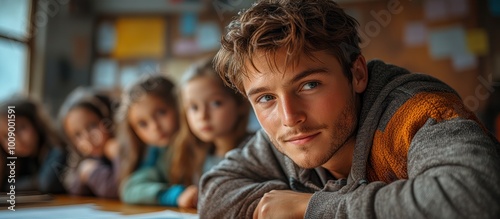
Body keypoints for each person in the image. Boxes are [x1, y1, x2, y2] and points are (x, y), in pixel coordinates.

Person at [198, 0, 500, 218]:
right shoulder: (289, 135)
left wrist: (311, 206)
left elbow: (473, 200)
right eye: (266, 98)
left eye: (309, 85)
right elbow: (214, 192)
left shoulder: (418, 113)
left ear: (357, 74)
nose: (290, 117)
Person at [169, 57, 251, 208]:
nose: (203, 116)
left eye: (215, 103)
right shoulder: (193, 154)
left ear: (240, 103)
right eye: (193, 107)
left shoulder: (257, 152)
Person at [117, 75, 181, 206]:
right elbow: (130, 189)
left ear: (178, 106)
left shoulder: (201, 146)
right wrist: (173, 195)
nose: (155, 127)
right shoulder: (155, 154)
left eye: (161, 112)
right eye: (143, 124)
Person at [58, 87, 119, 198]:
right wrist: (84, 170)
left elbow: (117, 189)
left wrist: (92, 173)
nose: (88, 138)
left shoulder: (120, 149)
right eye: (78, 135)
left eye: (92, 126)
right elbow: (74, 191)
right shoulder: (86, 160)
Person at [0, 97, 67, 194]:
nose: (15, 140)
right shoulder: (14, 160)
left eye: (20, 128)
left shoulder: (57, 149)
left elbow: (45, 184)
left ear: (37, 124)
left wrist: (6, 185)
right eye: (6, 136)